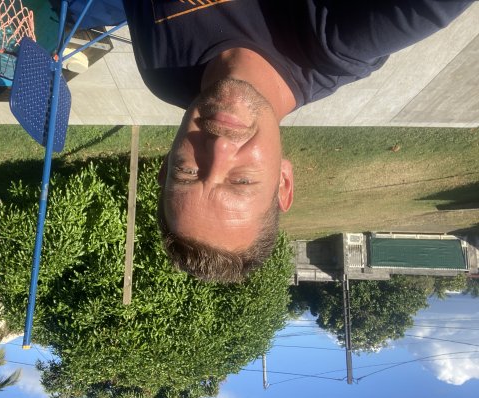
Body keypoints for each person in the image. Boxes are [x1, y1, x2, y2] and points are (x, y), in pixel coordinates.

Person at [116, 0, 473, 283]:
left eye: (189, 172)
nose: (219, 148)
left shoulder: (164, 74)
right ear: (284, 182)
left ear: (166, 165)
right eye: (242, 181)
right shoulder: (342, 37)